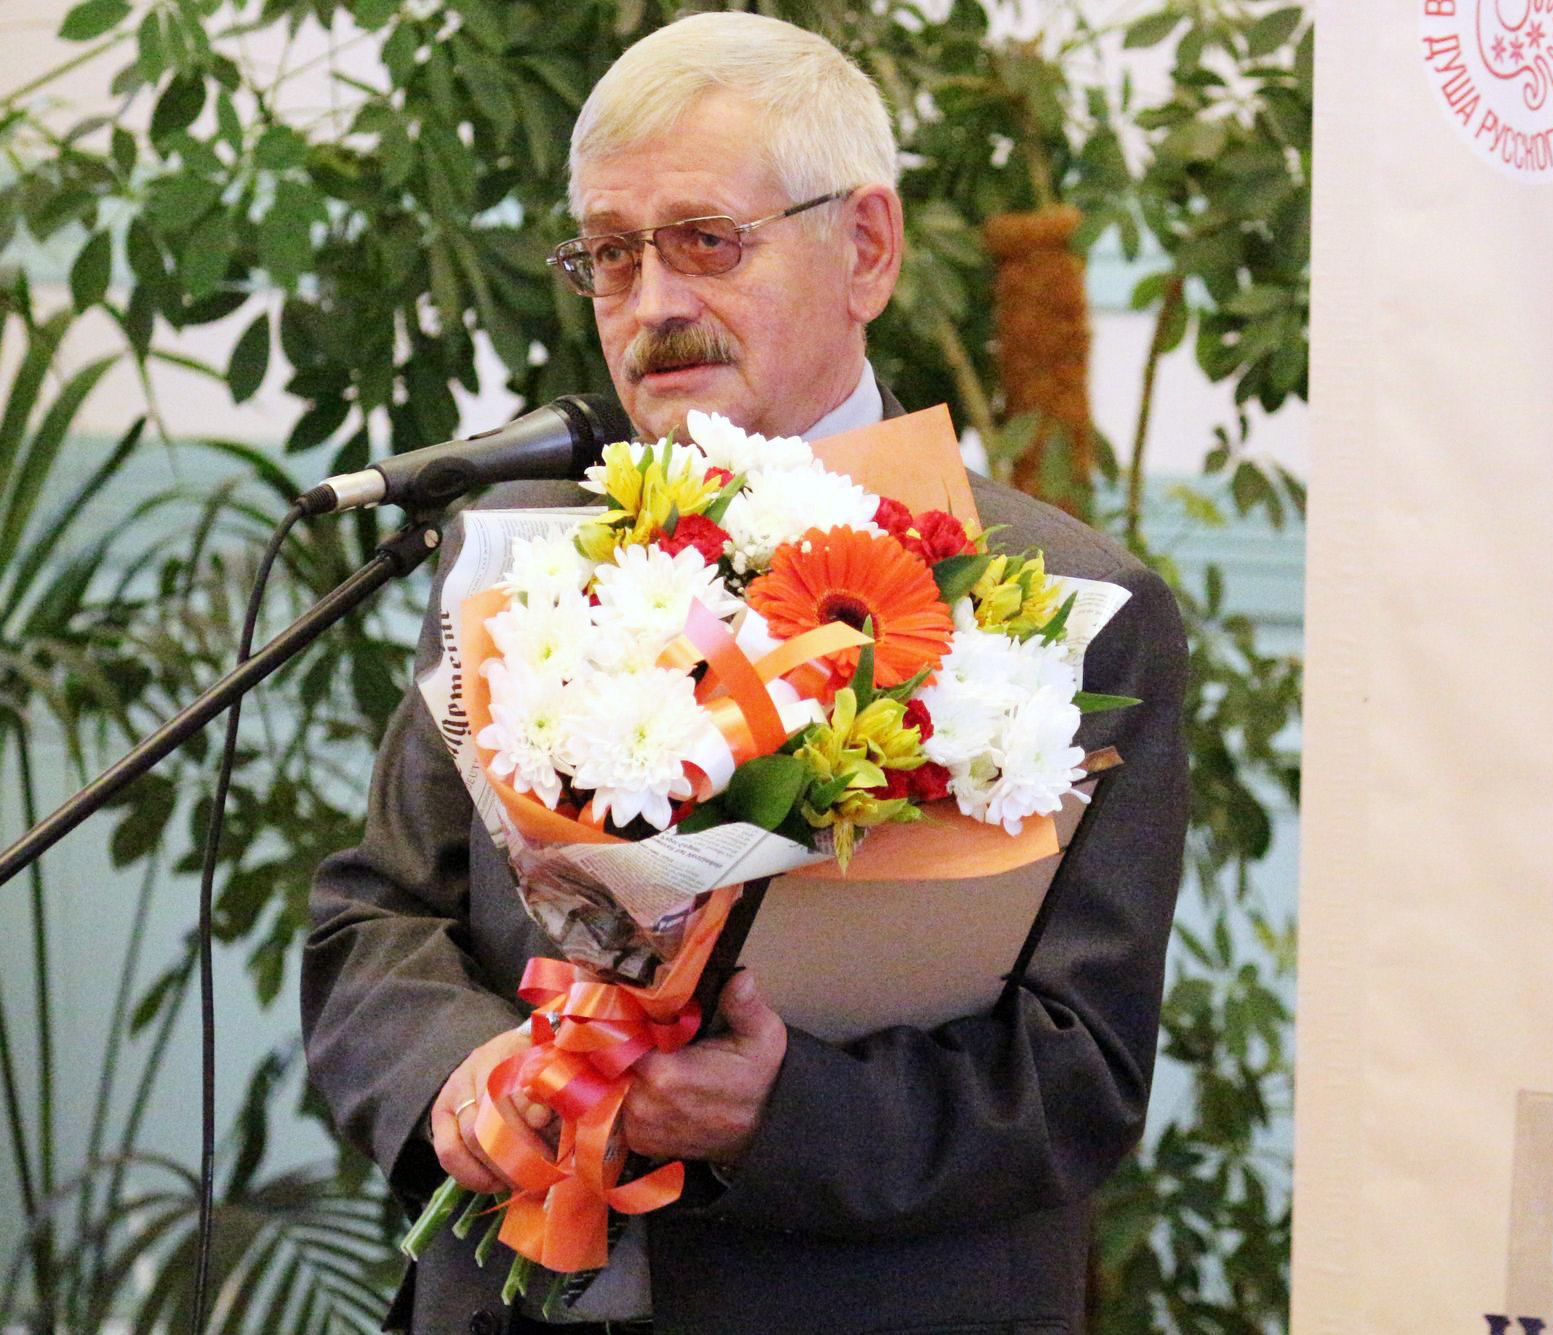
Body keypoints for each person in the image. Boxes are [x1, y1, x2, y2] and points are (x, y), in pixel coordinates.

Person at [301, 13, 1189, 1334]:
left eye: (707, 241)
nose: (655, 304)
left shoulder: (1068, 605)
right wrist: (462, 1079)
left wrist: (780, 1114)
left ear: (866, 249)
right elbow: (374, 918)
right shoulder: (522, 554)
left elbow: (1081, 1078)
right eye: (612, 255)